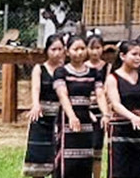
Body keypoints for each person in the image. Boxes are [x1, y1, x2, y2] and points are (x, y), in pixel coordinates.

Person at [103, 39, 140, 178]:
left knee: (138, 169)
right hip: (120, 129)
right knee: (119, 170)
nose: (138, 58)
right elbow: (115, 104)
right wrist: (132, 117)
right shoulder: (113, 78)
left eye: (139, 54)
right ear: (123, 56)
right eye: (134, 54)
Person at [54, 34, 100, 178]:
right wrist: (72, 116)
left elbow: (100, 94)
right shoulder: (61, 72)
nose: (79, 52)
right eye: (75, 49)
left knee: (85, 159)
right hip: (67, 120)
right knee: (67, 161)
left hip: (86, 120)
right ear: (67, 52)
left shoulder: (93, 73)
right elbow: (63, 95)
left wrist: (105, 113)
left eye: (82, 48)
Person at [24, 34, 67, 175]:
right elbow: (35, 88)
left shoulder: (66, 70)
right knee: (38, 155)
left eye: (60, 49)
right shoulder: (39, 69)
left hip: (60, 117)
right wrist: (35, 104)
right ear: (47, 51)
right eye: (53, 49)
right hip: (42, 114)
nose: (57, 53)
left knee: (58, 155)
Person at [86, 31, 111, 176]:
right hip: (85, 108)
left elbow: (106, 87)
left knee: (97, 148)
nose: (95, 51)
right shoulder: (83, 66)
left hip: (100, 110)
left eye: (98, 47)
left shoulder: (107, 67)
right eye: (92, 48)